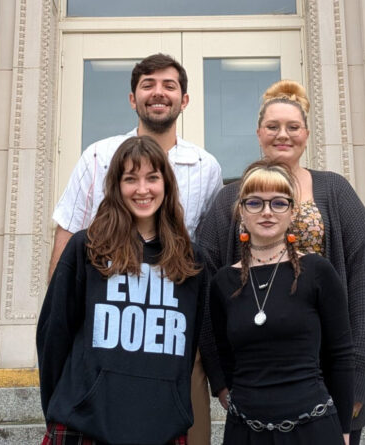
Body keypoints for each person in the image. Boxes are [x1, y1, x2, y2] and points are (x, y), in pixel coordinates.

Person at [196, 80, 365, 444]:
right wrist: (220, 379)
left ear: (307, 134)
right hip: (256, 381)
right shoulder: (228, 201)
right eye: (272, 127)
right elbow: (207, 292)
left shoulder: (335, 190)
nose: (282, 135)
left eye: (292, 127)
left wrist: (360, 376)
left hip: (324, 373)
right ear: (258, 133)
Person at [50, 53, 223, 444]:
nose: (158, 93)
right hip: (106, 335)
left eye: (169, 85)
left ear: (185, 100)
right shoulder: (98, 155)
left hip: (172, 335)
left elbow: (207, 255)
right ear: (132, 98)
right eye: (148, 85)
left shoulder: (206, 166)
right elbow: (68, 235)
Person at [38, 136, 209, 445]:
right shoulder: (85, 248)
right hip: (83, 425)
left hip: (162, 429)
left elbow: (191, 346)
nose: (142, 189)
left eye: (152, 178)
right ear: (116, 187)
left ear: (167, 184)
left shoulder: (192, 261)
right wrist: (58, 405)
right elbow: (54, 334)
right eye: (130, 179)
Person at [209, 160, 355, 444]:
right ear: (241, 211)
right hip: (245, 431)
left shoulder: (317, 271)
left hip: (312, 428)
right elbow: (222, 353)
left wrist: (345, 430)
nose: (266, 212)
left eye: (278, 203)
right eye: (255, 203)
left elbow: (340, 355)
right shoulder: (224, 282)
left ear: (292, 213)